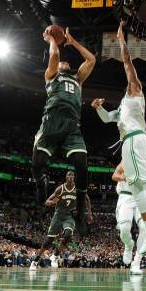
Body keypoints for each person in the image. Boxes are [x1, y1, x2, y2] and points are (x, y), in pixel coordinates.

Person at [92, 21, 146, 256]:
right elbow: (107, 118)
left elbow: (127, 62)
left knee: (138, 186)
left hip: (135, 140)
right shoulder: (123, 107)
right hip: (134, 141)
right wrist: (97, 108)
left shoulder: (136, 92)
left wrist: (120, 40)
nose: (128, 83)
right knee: (142, 185)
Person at [32, 27, 96, 235]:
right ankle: (41, 185)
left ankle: (79, 212)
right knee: (37, 165)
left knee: (82, 165)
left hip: (71, 125)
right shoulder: (51, 75)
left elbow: (91, 60)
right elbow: (55, 55)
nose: (65, 63)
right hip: (51, 122)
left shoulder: (77, 80)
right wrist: (52, 39)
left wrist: (74, 42)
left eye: (67, 63)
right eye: (63, 63)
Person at [30, 171, 93, 270]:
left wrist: (89, 213)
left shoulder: (78, 189)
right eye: (69, 175)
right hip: (58, 216)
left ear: (74, 178)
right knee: (48, 241)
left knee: (68, 235)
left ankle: (55, 255)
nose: (70, 177)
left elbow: (87, 200)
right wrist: (51, 202)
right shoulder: (60, 189)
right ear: (66, 177)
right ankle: (36, 260)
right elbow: (47, 201)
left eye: (72, 175)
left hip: (70, 216)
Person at [112, 161, 146, 274]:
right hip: (125, 196)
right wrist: (123, 177)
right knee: (125, 230)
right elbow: (114, 176)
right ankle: (128, 244)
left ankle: (136, 262)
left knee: (145, 228)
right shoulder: (125, 161)